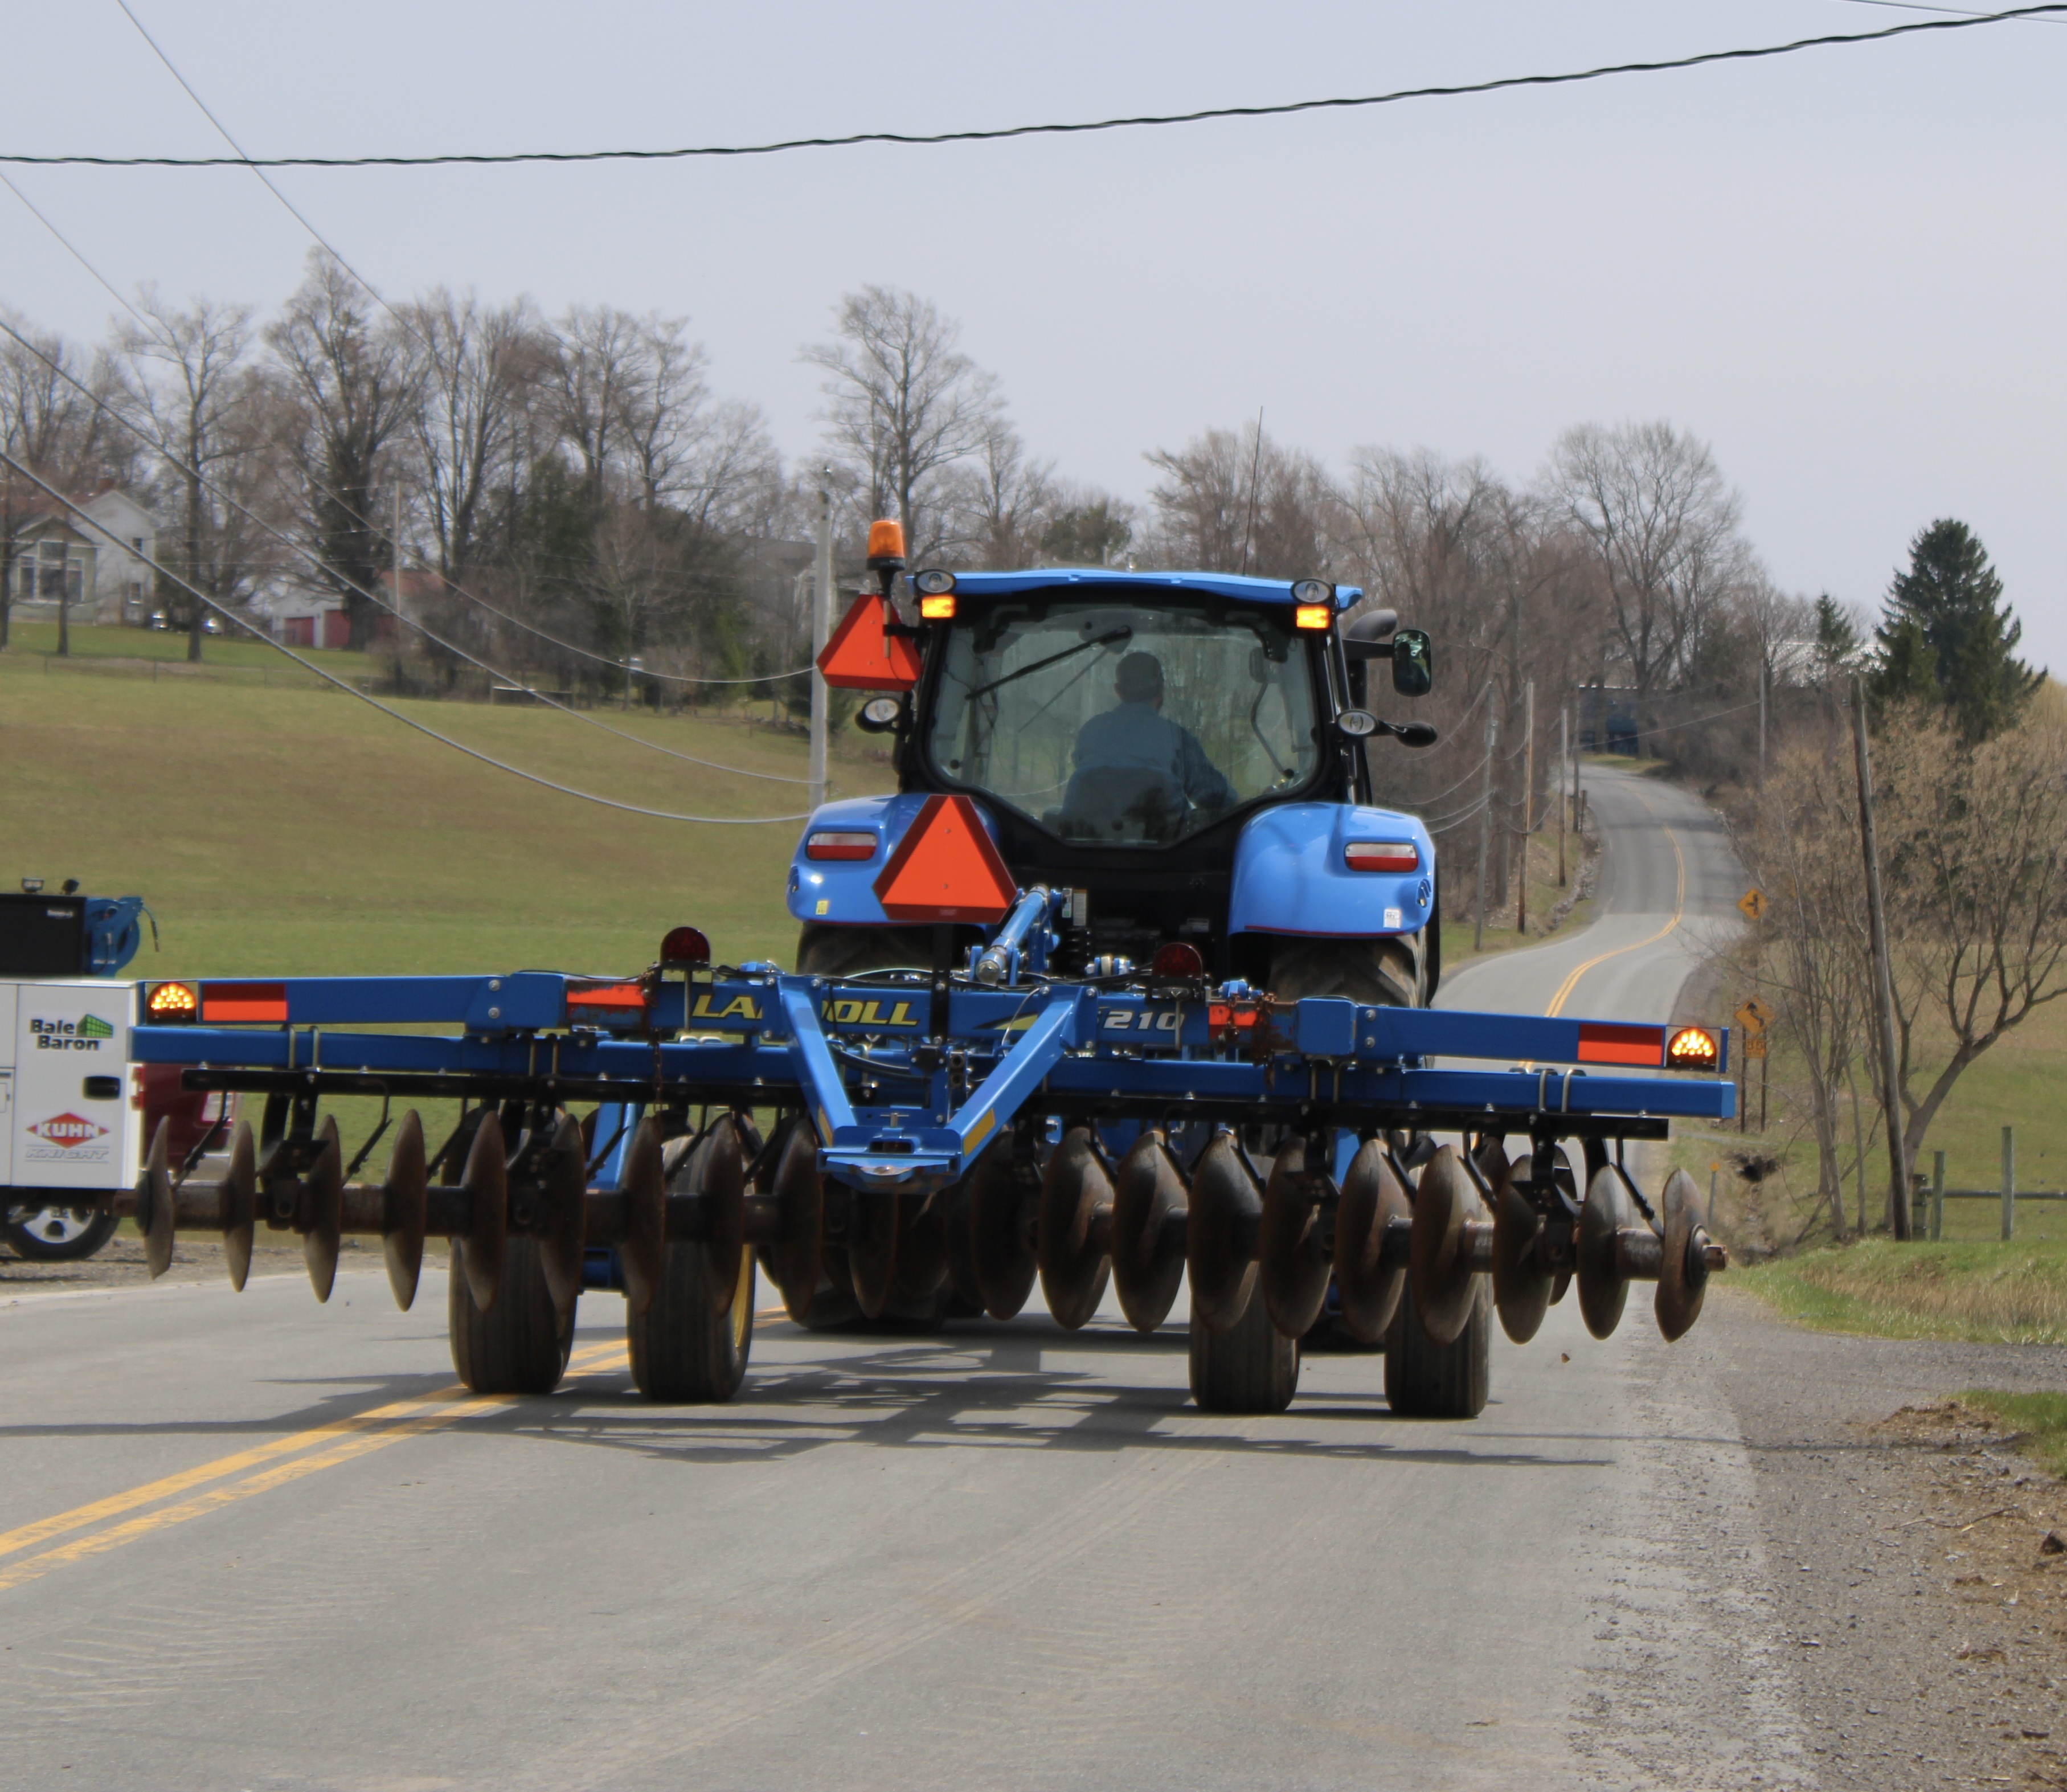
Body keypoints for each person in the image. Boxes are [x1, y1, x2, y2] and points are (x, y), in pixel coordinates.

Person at [1063, 651, 1235, 826]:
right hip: (1165, 850)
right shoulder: (1176, 739)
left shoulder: (1091, 731)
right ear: (1161, 688)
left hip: (1088, 847)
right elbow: (1216, 797)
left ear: (1119, 691)